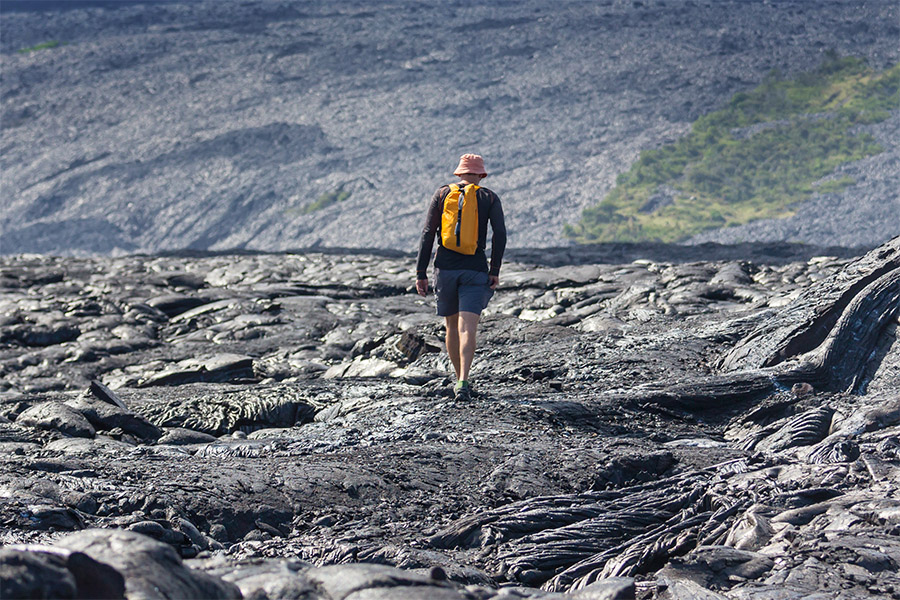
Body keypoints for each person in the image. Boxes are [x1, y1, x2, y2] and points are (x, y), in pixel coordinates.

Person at [415, 153, 507, 401]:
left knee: (451, 327)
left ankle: (458, 380)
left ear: (459, 173)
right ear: (480, 175)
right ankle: (465, 380)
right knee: (468, 328)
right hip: (475, 269)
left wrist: (421, 272)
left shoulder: (443, 194)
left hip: (445, 269)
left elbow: (427, 233)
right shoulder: (488, 197)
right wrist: (494, 270)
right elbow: (500, 234)